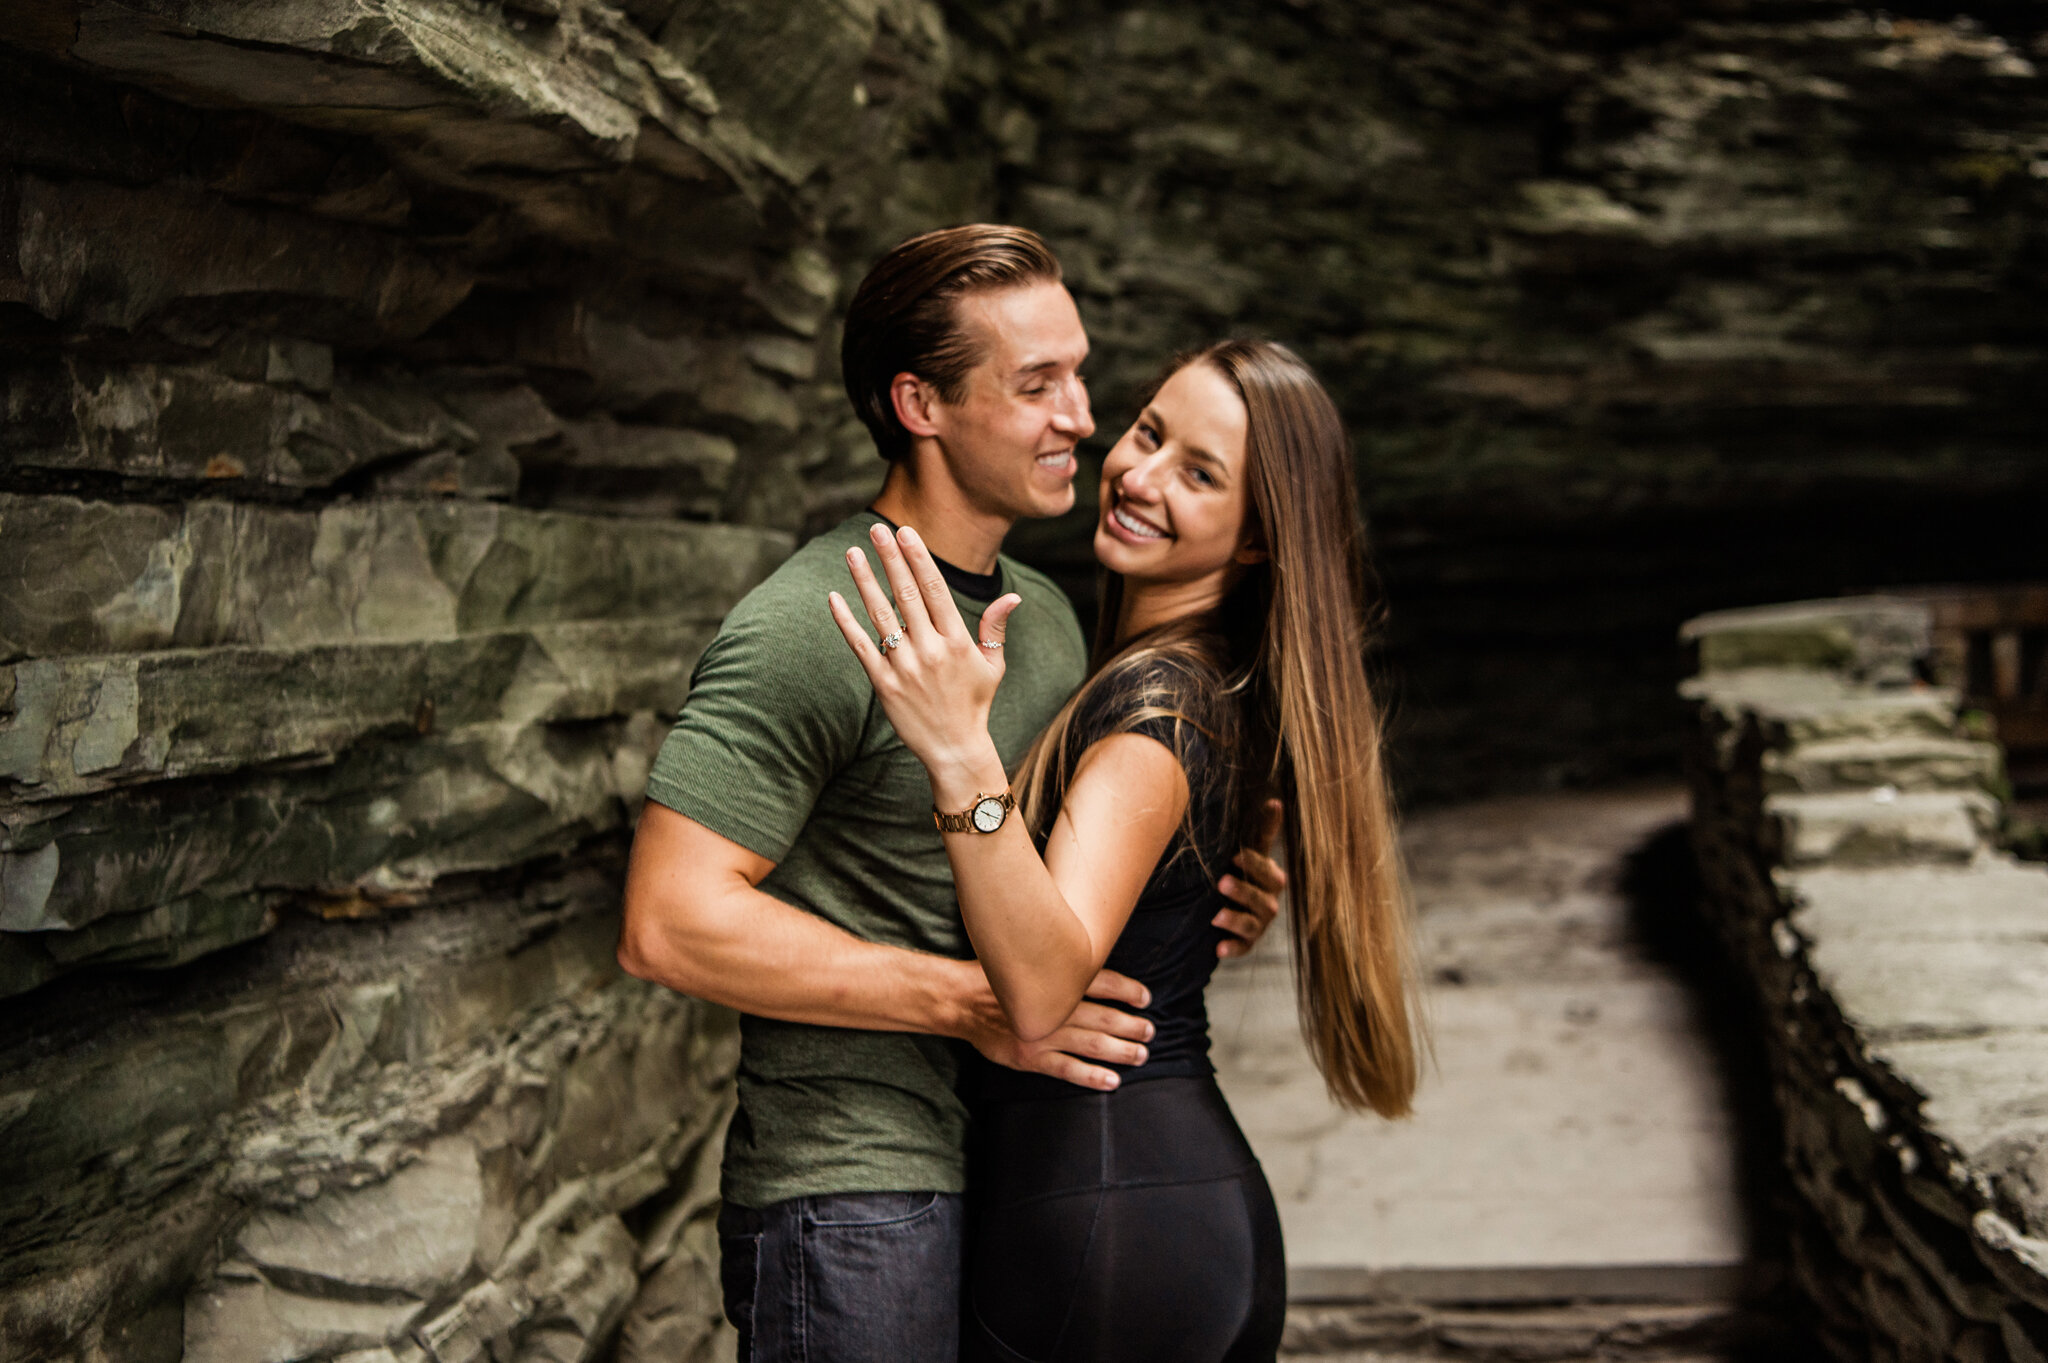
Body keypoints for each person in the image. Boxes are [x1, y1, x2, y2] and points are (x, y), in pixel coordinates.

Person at [616, 227, 1286, 1363]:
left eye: (1077, 374)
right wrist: (973, 1003)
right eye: (1035, 386)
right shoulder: (810, 621)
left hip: (1011, 1168)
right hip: (853, 1194)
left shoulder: (1047, 615)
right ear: (920, 404)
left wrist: (1196, 890)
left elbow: (1047, 874)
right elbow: (666, 921)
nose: (1081, 417)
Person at [827, 338, 1421, 1363]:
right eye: (1148, 433)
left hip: (1104, 1235)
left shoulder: (1154, 709)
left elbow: (1043, 989)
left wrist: (960, 759)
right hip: (1157, 1216)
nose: (1139, 477)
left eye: (1199, 475)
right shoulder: (1201, 684)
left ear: (1252, 543)